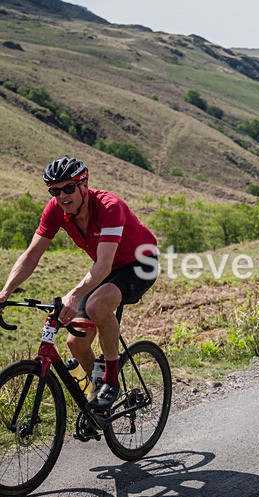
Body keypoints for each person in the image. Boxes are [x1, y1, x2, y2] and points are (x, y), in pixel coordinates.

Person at [0, 157, 158, 410]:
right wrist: (5, 292)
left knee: (97, 306)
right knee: (76, 342)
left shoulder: (109, 206)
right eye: (55, 190)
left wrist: (73, 296)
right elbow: (31, 255)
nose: (62, 196)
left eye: (69, 188)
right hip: (106, 270)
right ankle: (95, 399)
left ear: (84, 184)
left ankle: (111, 381)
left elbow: (104, 265)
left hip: (141, 263)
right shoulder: (55, 211)